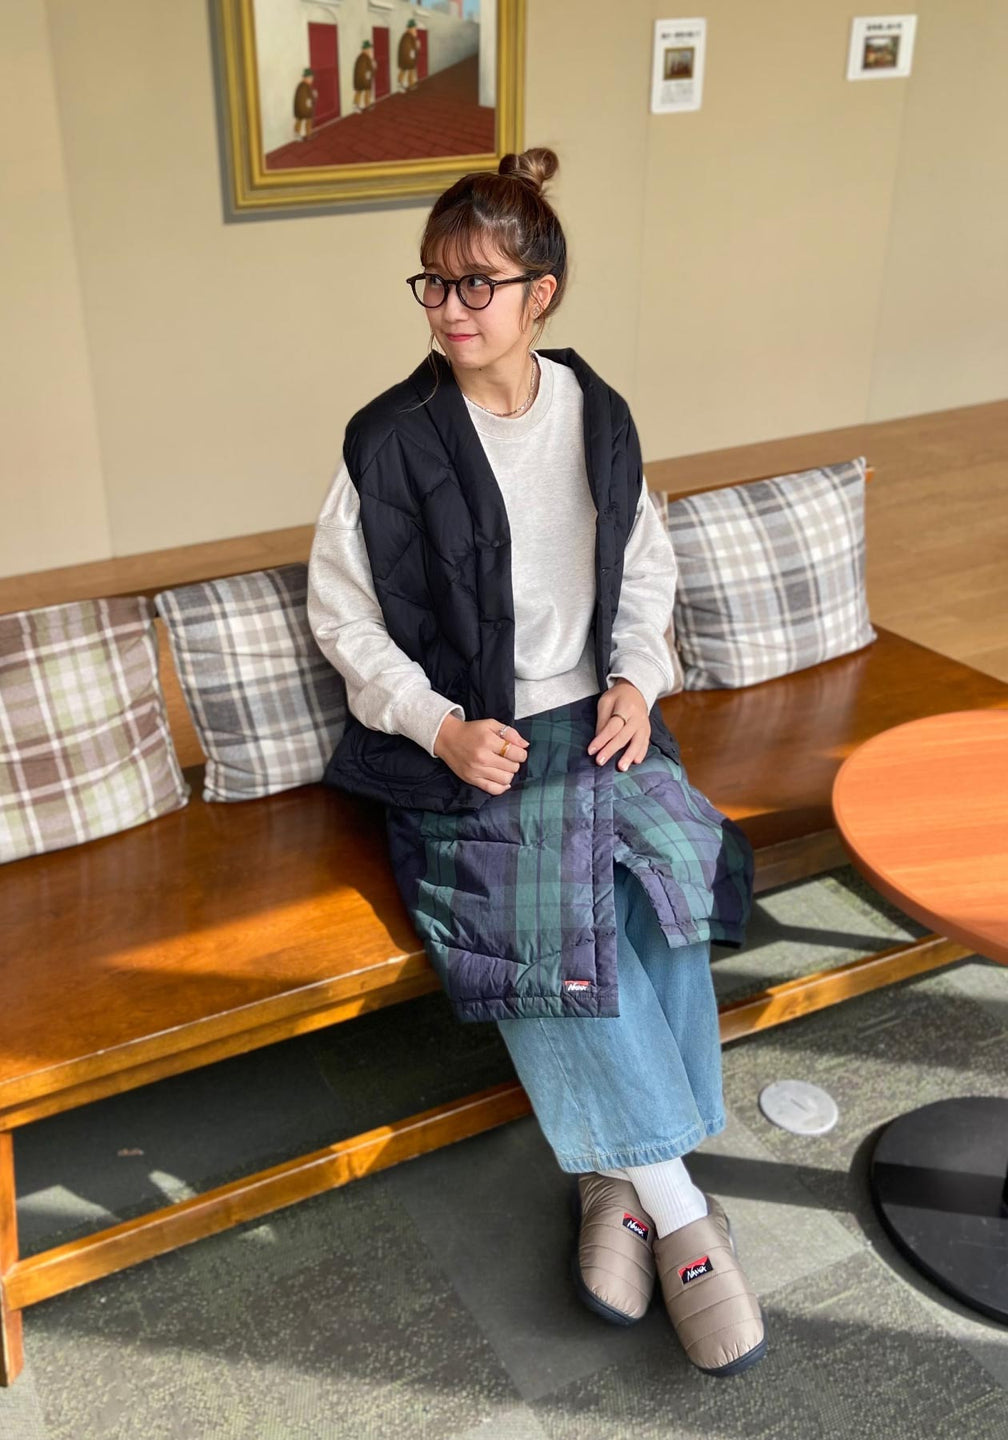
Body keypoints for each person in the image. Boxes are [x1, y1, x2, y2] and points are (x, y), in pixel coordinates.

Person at [305, 147, 767, 1378]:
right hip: (476, 746)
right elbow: (344, 619)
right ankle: (686, 1215)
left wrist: (638, 680)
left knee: (664, 889)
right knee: (530, 923)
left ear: (541, 292)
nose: (450, 307)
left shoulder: (596, 413)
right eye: (433, 282)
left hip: (600, 722)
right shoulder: (388, 440)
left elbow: (647, 566)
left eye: (478, 284)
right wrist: (438, 725)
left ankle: (620, 1182)